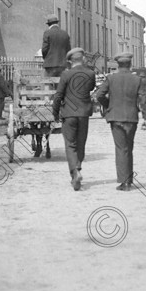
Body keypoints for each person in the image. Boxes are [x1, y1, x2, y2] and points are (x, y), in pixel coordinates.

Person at [95, 52, 146, 191]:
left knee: (121, 149)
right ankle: (129, 180)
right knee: (129, 148)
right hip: (131, 118)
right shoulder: (137, 80)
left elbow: (99, 95)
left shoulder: (111, 78)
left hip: (116, 117)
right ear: (130, 65)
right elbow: (143, 100)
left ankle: (124, 181)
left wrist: (109, 105)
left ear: (118, 65)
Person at [52, 48, 96, 191]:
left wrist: (55, 113)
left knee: (70, 144)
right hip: (83, 114)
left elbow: (58, 95)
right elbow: (91, 88)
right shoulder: (90, 73)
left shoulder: (66, 74)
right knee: (81, 142)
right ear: (83, 59)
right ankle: (78, 166)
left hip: (69, 114)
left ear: (70, 61)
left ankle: (75, 173)